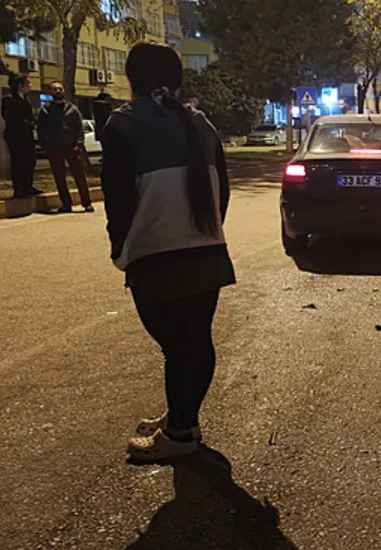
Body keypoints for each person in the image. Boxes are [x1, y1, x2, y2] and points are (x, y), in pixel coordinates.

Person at [102, 41, 233, 461]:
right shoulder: (202, 124)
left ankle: (180, 433)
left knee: (177, 346)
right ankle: (184, 418)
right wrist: (207, 233)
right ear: (177, 81)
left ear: (132, 79)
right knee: (193, 341)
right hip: (206, 253)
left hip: (156, 254)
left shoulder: (123, 124)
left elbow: (117, 197)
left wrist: (119, 246)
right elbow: (222, 193)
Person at [38, 81, 94, 213]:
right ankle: (66, 204)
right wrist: (46, 146)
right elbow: (41, 129)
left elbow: (79, 128)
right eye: (54, 89)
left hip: (72, 149)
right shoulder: (45, 110)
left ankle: (86, 203)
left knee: (80, 176)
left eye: (60, 89)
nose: (58, 91)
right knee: (59, 178)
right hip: (54, 149)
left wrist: (78, 145)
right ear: (50, 92)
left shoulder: (72, 109)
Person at [2, 73, 41, 198]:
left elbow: (30, 117)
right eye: (27, 83)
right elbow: (10, 117)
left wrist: (33, 122)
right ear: (20, 85)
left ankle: (28, 185)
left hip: (27, 136)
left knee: (29, 161)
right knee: (18, 162)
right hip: (16, 136)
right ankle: (19, 188)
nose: (30, 86)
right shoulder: (8, 100)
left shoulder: (26, 100)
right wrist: (25, 124)